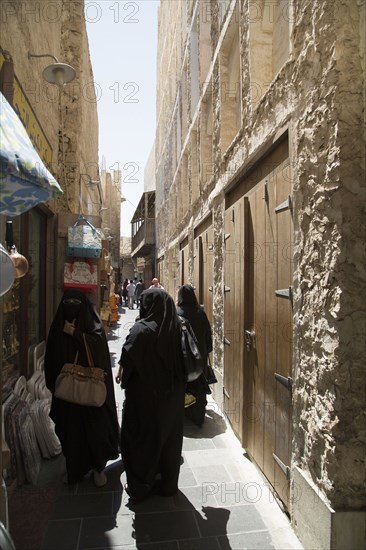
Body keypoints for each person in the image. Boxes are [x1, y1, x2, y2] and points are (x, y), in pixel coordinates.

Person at [116, 288, 186, 503]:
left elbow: (126, 366)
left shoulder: (141, 330)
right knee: (170, 441)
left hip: (144, 400)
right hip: (173, 398)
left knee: (141, 440)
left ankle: (140, 486)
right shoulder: (178, 328)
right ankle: (168, 484)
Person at [44, 289, 120, 486]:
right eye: (67, 302)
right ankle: (75, 470)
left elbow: (97, 346)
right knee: (70, 434)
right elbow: (51, 356)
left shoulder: (90, 325)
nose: (71, 307)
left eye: (74, 302)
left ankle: (97, 468)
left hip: (89, 391)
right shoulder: (58, 327)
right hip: (66, 394)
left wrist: (75, 333)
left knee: (94, 432)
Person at [177, 284, 213, 427]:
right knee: (199, 384)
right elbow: (207, 334)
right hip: (199, 356)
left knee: (183, 385)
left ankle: (184, 412)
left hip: (183, 357)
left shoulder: (176, 312)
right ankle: (198, 415)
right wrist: (207, 350)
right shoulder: (200, 313)